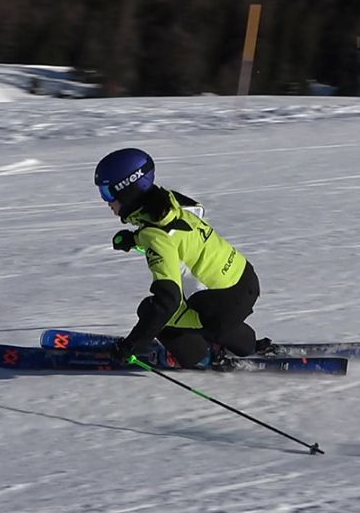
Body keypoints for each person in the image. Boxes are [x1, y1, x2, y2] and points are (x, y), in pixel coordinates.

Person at [94, 147, 272, 369]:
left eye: (107, 193)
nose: (107, 202)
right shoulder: (171, 202)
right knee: (208, 307)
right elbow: (181, 230)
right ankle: (248, 346)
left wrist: (131, 346)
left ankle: (200, 358)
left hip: (220, 306)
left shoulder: (155, 236)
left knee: (151, 311)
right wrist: (135, 239)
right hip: (245, 279)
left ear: (127, 190)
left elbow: (167, 301)